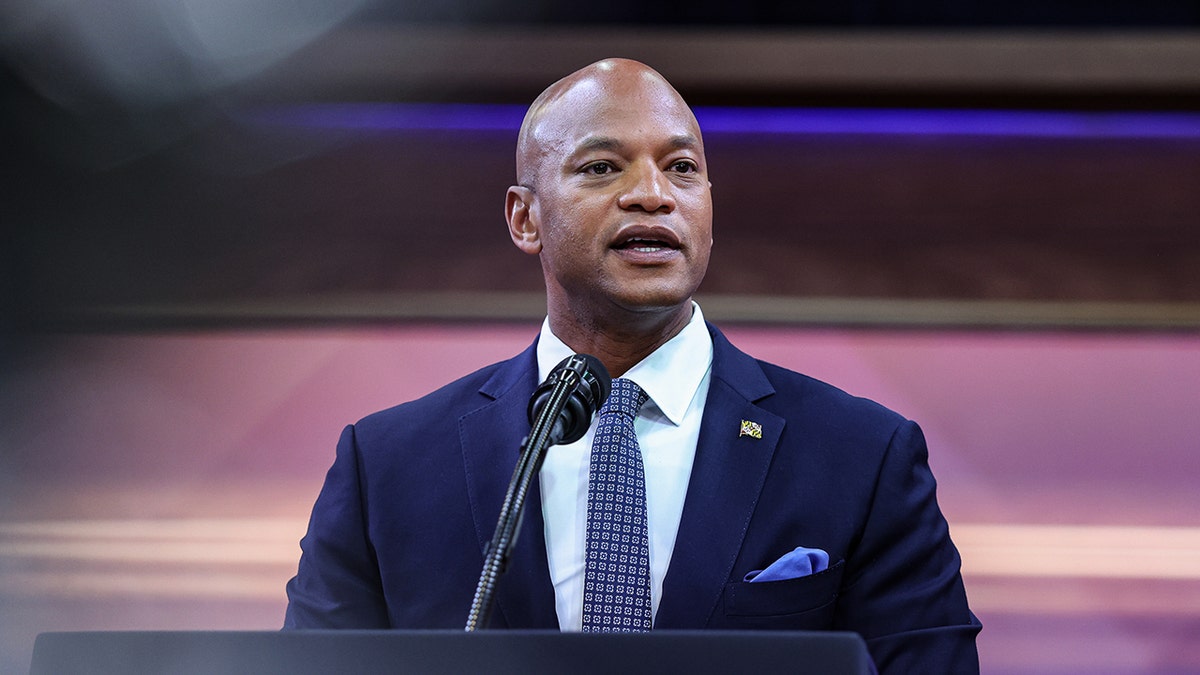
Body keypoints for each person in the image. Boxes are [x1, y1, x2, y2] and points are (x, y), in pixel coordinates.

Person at [284, 58, 981, 672]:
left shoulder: (861, 456)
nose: (653, 193)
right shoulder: (388, 465)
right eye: (601, 167)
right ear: (524, 219)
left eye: (681, 168)